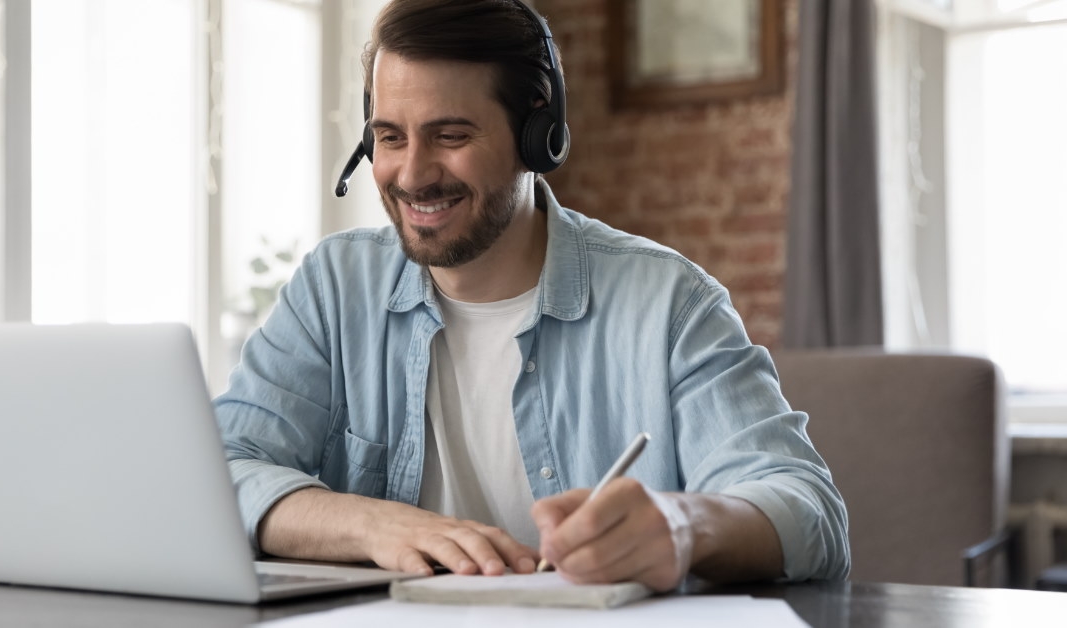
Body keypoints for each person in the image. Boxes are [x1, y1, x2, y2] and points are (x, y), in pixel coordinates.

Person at [214, 0, 849, 592]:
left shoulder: (669, 304)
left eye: (451, 136)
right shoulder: (334, 287)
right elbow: (222, 470)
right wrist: (371, 525)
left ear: (536, 136)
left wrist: (683, 526)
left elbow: (807, 508)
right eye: (390, 137)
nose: (411, 175)